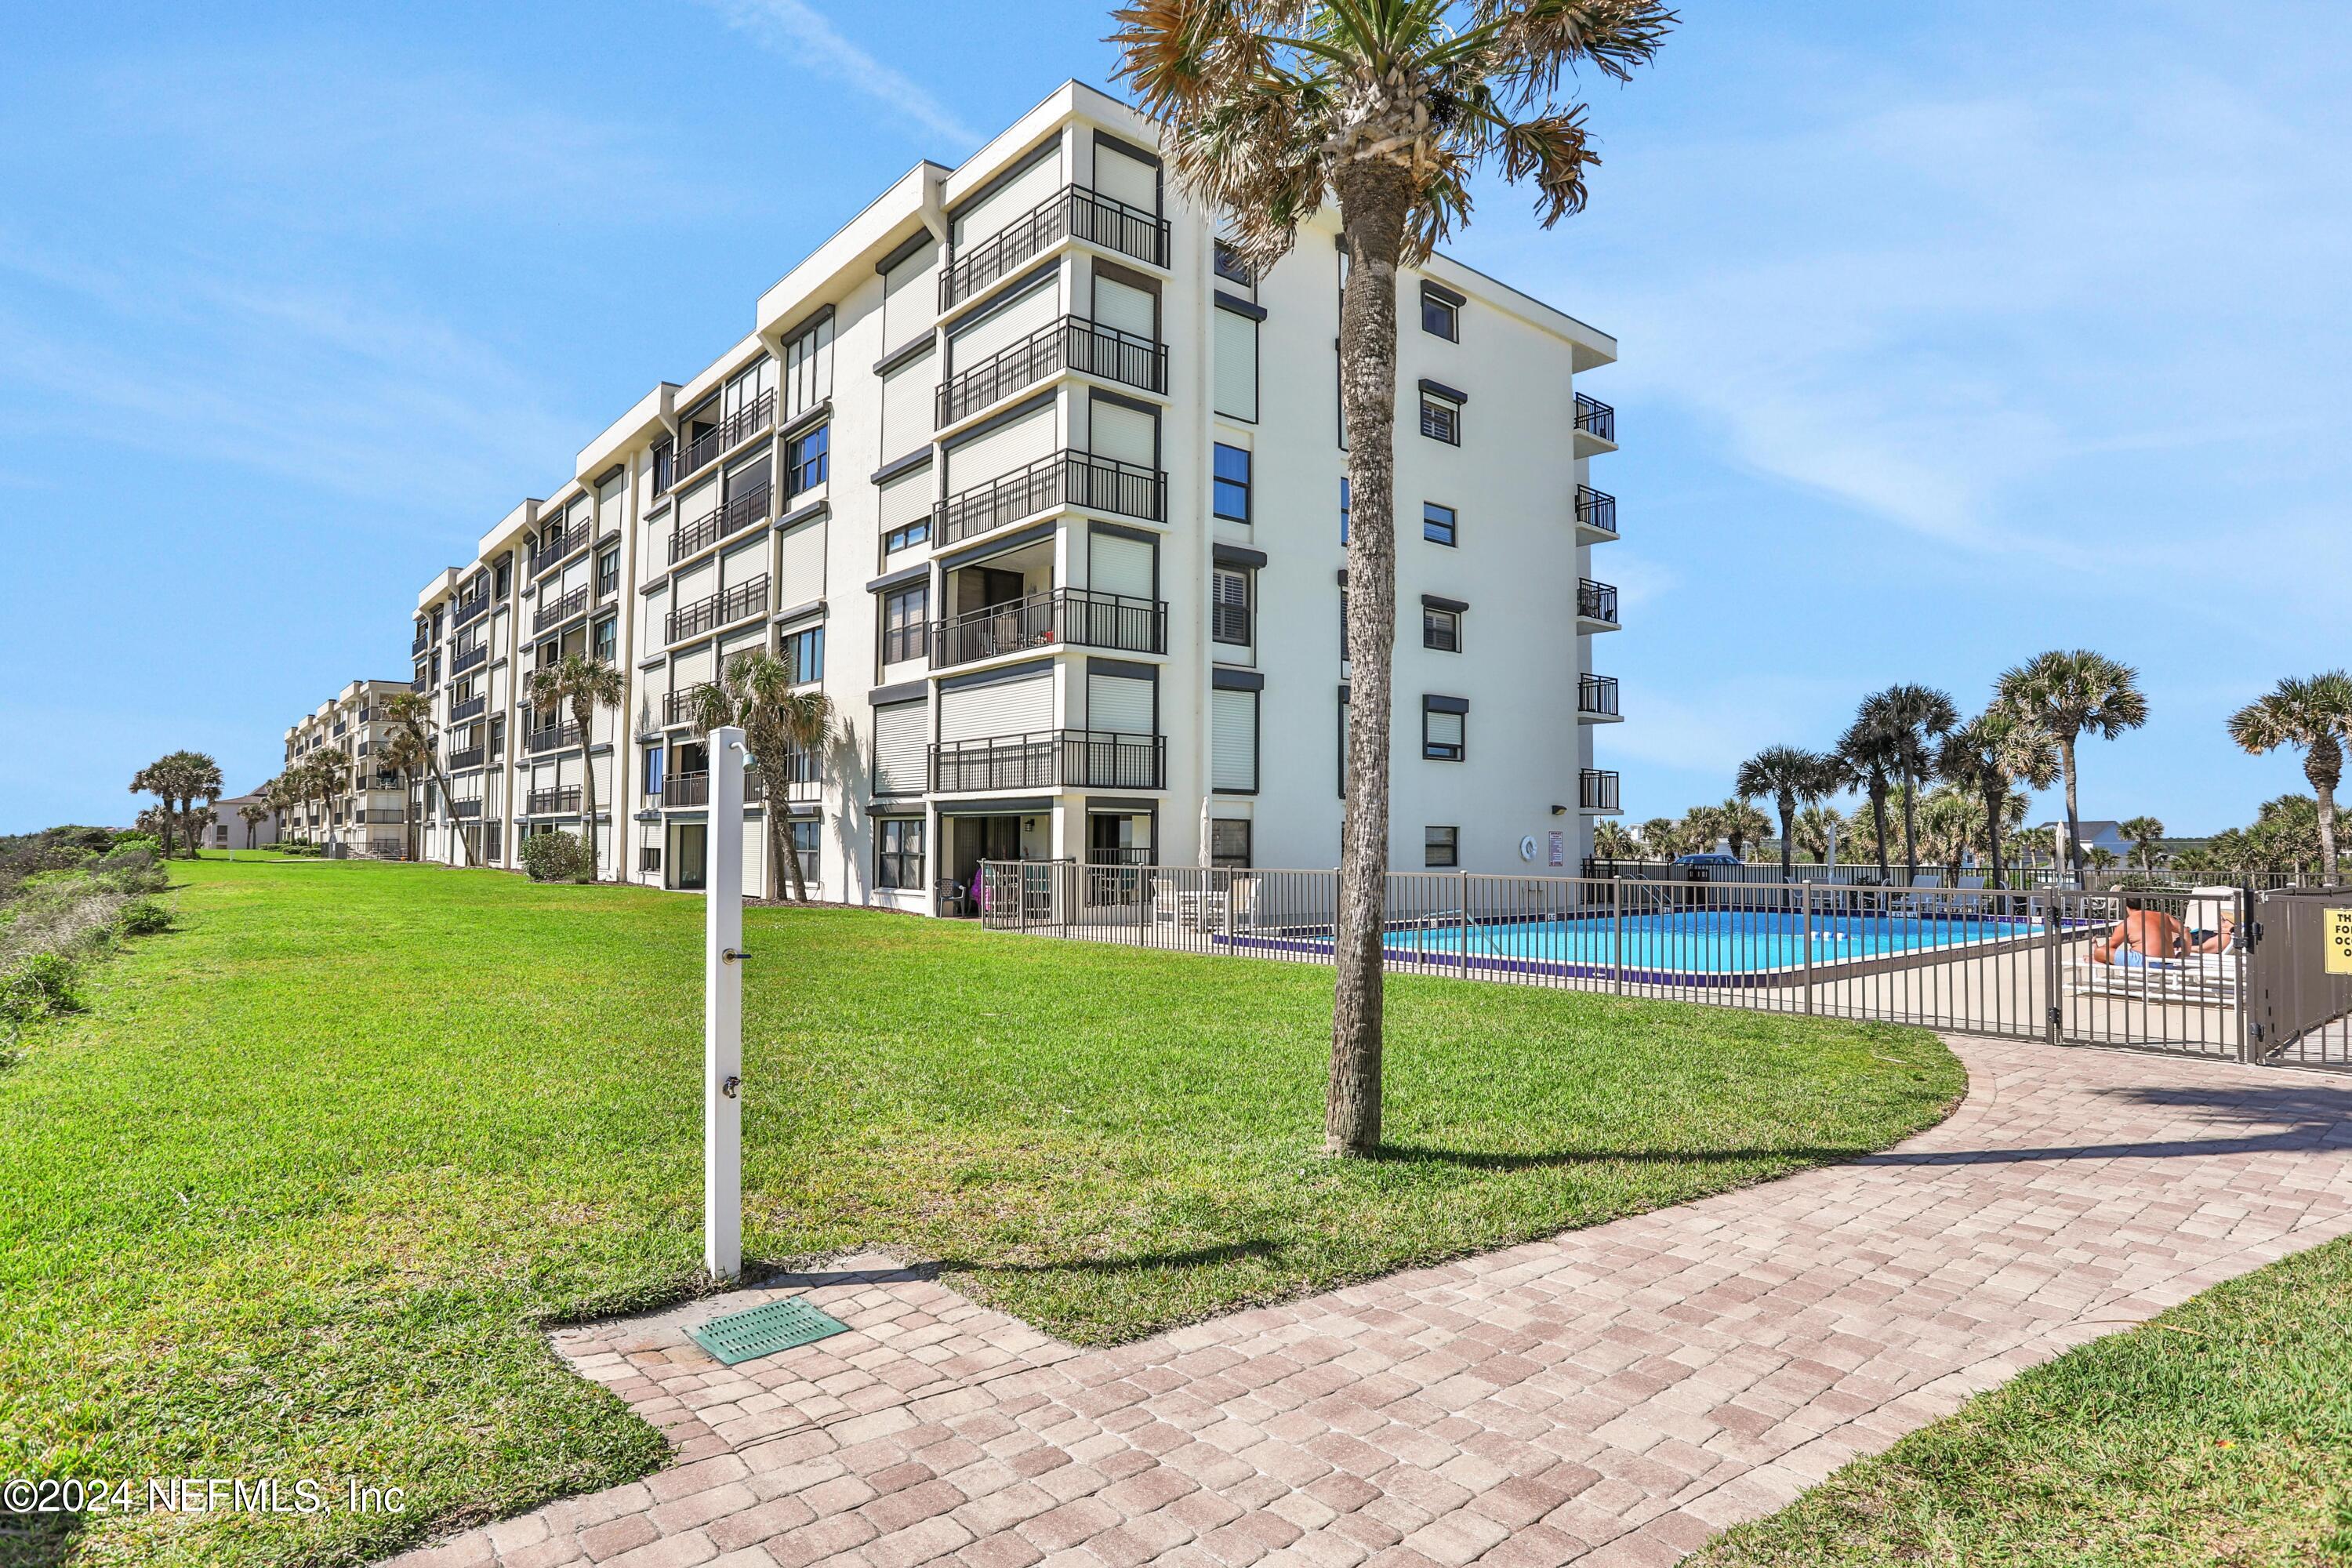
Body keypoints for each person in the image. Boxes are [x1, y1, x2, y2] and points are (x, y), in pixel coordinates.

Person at [2090, 898, 2187, 966]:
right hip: (2169, 962)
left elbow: (2109, 948)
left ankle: (2096, 959)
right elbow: (2186, 931)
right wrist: (2185, 954)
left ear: (2125, 906)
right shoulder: (2163, 916)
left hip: (2147, 962)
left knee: (2100, 952)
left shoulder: (2127, 923)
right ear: (2143, 903)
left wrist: (2096, 949)